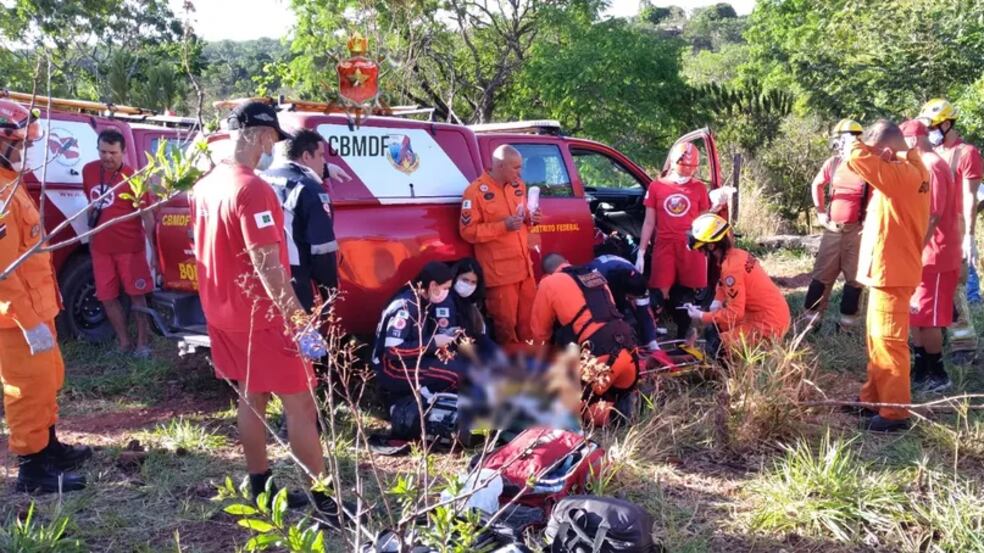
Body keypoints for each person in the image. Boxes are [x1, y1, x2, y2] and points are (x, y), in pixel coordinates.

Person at [190, 101, 330, 511]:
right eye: (272, 138)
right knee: (301, 404)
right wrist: (299, 321)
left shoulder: (205, 185)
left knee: (252, 397)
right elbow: (267, 265)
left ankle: (261, 487)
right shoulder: (252, 189)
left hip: (223, 313)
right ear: (264, 135)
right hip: (264, 316)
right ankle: (323, 499)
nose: (272, 146)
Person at [0, 99, 92, 493]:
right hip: (18, 319)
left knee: (47, 380)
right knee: (26, 390)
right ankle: (33, 468)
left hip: (39, 309)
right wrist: (28, 321)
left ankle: (48, 446)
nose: (28, 152)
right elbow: (4, 274)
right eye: (23, 145)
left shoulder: (10, 186)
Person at [843, 120, 930, 433]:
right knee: (876, 340)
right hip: (887, 271)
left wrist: (855, 141)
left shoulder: (902, 175)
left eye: (880, 155)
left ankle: (895, 413)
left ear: (888, 151)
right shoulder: (907, 169)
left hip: (892, 271)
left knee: (890, 343)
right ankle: (873, 400)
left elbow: (857, 159)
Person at [531, 253, 638, 422]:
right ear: (567, 262)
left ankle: (614, 415)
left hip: (601, 358)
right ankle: (624, 397)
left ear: (547, 273)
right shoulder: (594, 275)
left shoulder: (548, 283)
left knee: (562, 408)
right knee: (602, 385)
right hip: (630, 350)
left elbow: (540, 334)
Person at [459, 144, 541, 352]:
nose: (519, 172)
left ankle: (533, 365)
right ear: (500, 165)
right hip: (501, 273)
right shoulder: (475, 192)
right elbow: (467, 232)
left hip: (525, 268)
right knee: (506, 326)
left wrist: (532, 218)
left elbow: (522, 217)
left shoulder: (518, 186)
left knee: (530, 322)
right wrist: (502, 226)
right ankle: (513, 372)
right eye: (515, 167)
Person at [918, 99, 982, 365]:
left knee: (955, 287)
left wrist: (969, 237)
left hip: (954, 229)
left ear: (946, 124)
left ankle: (964, 346)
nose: (928, 132)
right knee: (928, 288)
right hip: (929, 228)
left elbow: (970, 198)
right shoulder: (931, 153)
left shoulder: (966, 153)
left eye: (931, 126)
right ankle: (933, 337)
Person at [82, 129, 155, 356]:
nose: (107, 157)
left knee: (137, 295)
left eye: (113, 152)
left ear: (123, 152)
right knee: (106, 296)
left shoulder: (134, 178)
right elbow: (92, 203)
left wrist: (155, 252)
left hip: (130, 249)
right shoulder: (89, 171)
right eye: (103, 151)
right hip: (101, 249)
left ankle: (143, 343)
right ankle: (124, 343)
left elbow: (148, 216)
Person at [262, 129, 352, 312]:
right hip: (297, 284)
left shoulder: (263, 178)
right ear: (305, 156)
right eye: (321, 155)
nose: (325, 161)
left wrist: (323, 172)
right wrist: (330, 292)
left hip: (265, 278)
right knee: (301, 337)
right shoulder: (309, 190)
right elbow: (322, 250)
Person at [901, 119, 960, 394]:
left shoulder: (933, 167)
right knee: (917, 314)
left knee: (931, 317)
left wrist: (915, 246)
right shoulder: (921, 166)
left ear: (913, 141)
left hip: (935, 254)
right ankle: (922, 366)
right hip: (921, 255)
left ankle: (938, 373)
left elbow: (933, 215)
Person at [683, 214, 791, 354]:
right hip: (770, 312)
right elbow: (723, 283)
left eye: (701, 249)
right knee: (715, 327)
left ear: (710, 246)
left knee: (717, 346)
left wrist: (702, 316)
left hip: (768, 323)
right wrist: (716, 302)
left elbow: (735, 314)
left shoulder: (731, 269)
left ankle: (726, 372)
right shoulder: (737, 255)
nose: (701, 253)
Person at [636, 142, 711, 340]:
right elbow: (649, 222)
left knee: (689, 294)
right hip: (664, 245)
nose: (687, 172)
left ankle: (685, 338)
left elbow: (704, 222)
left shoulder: (699, 188)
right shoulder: (657, 186)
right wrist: (641, 252)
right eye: (683, 167)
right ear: (673, 162)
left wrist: (717, 204)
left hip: (691, 246)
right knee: (659, 291)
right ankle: (651, 337)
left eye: (691, 168)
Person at [370, 261, 467, 406]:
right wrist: (433, 343)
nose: (446, 293)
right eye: (445, 288)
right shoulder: (406, 307)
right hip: (391, 368)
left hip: (409, 361)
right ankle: (416, 405)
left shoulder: (421, 301)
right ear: (433, 285)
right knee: (457, 374)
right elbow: (392, 351)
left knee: (463, 365)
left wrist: (445, 336)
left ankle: (423, 400)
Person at [802, 119, 868, 330]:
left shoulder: (868, 165)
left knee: (854, 282)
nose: (837, 143)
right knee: (821, 278)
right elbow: (817, 184)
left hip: (857, 231)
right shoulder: (834, 163)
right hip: (833, 230)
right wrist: (821, 214)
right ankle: (810, 324)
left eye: (840, 138)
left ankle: (847, 327)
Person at [588, 251, 660, 351]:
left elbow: (645, 313)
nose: (633, 301)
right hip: (595, 281)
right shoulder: (595, 277)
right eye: (631, 298)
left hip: (616, 283)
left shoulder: (637, 280)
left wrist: (652, 342)